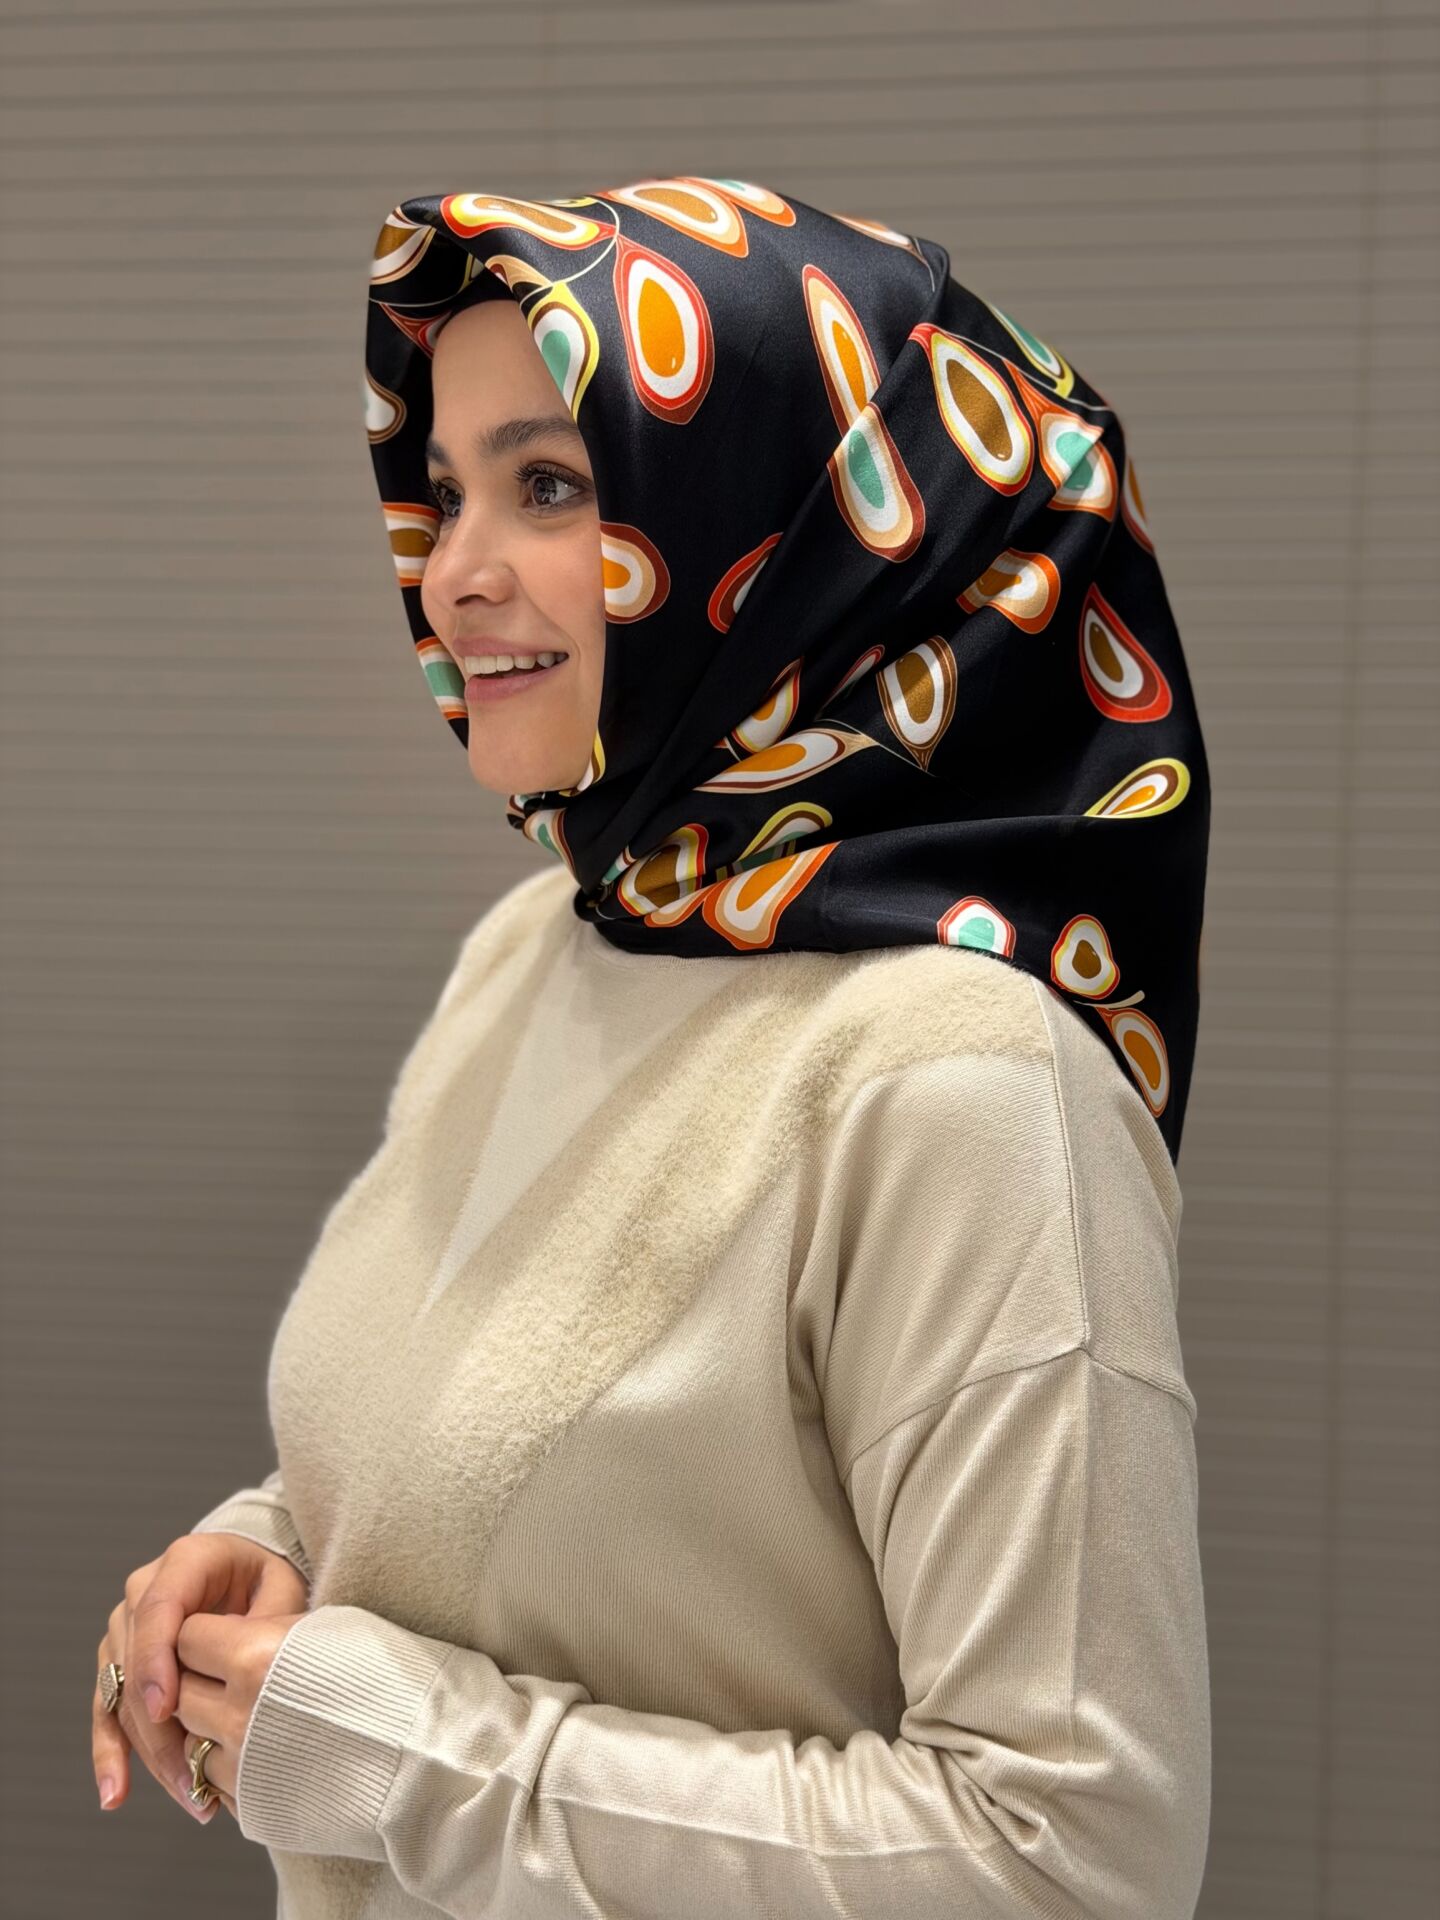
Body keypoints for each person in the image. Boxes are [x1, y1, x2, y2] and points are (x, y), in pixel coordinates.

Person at [93, 176, 1212, 1918]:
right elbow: (537, 1467)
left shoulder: (966, 1084)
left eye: (549, 485)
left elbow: (1074, 1859)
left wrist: (405, 1757)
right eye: (447, 490)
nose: (451, 575)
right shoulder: (551, 945)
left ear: (807, 531)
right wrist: (285, 1542)